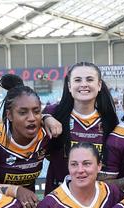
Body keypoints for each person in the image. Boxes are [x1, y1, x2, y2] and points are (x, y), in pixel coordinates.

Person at [42, 62, 119, 194]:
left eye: (89, 79)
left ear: (99, 85)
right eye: (78, 80)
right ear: (69, 86)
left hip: (97, 198)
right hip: (58, 198)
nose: (84, 84)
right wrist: (44, 118)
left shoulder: (109, 120)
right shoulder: (53, 113)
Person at [0, 74, 48, 208]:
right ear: (9, 115)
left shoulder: (46, 135)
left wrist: (48, 118)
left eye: (36, 111)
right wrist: (16, 190)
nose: (32, 118)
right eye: (23, 112)